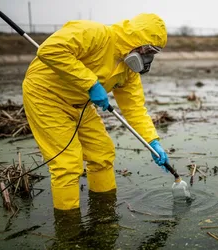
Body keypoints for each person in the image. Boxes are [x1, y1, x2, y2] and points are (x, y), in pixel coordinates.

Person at [22, 13, 169, 211]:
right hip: (45, 97)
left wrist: (152, 141)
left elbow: (134, 108)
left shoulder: (128, 71)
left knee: (102, 153)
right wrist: (90, 83)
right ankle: (68, 226)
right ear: (137, 39)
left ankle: (103, 211)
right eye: (148, 49)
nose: (148, 56)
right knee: (67, 164)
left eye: (154, 52)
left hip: (80, 104)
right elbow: (50, 50)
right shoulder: (95, 34)